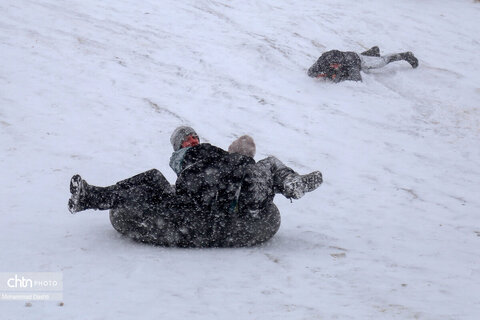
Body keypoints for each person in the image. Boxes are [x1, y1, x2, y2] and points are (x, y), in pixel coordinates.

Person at [67, 126, 323, 247]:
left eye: (194, 136)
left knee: (269, 164)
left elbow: (238, 164)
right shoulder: (184, 159)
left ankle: (293, 184)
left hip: (236, 200)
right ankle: (91, 197)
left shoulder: (214, 154)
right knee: (153, 178)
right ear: (178, 147)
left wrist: (240, 158)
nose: (191, 139)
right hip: (196, 200)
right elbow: (187, 176)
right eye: (185, 139)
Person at [307, 46, 418, 82]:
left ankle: (405, 55)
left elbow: (356, 79)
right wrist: (327, 74)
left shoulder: (351, 63)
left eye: (337, 64)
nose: (336, 66)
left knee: (381, 62)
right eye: (333, 64)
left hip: (358, 60)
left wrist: (337, 76)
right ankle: (373, 52)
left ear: (341, 62)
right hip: (350, 57)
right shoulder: (323, 60)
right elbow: (311, 72)